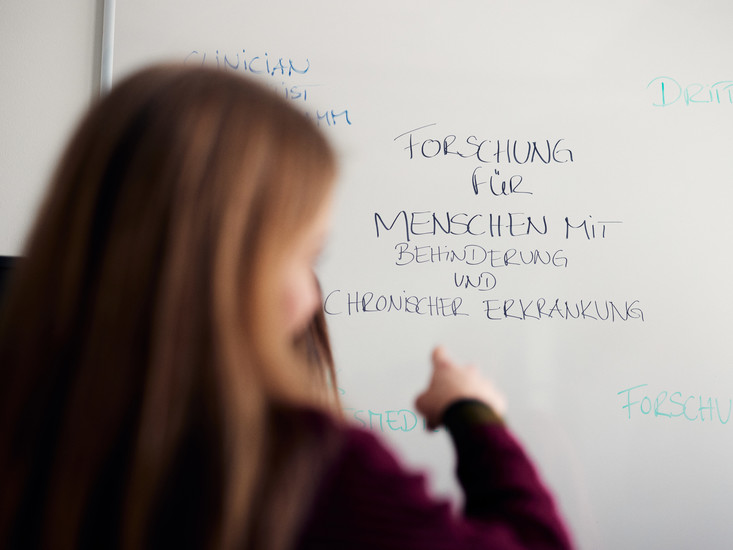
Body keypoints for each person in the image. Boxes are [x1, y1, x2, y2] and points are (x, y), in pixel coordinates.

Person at [0, 64, 573, 549]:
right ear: (225, 272)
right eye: (303, 257)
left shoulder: (31, 430)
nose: (312, 297)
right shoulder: (303, 469)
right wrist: (474, 415)